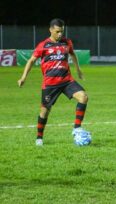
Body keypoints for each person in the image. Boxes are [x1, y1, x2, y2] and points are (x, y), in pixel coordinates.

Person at [17, 18, 90, 146]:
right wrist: (23, 78)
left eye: (62, 31)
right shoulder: (43, 45)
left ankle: (77, 128)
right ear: (50, 30)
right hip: (50, 84)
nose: (60, 34)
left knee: (83, 97)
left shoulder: (67, 43)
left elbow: (73, 54)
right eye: (57, 31)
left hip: (67, 81)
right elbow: (31, 61)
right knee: (44, 112)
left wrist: (78, 70)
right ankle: (39, 137)